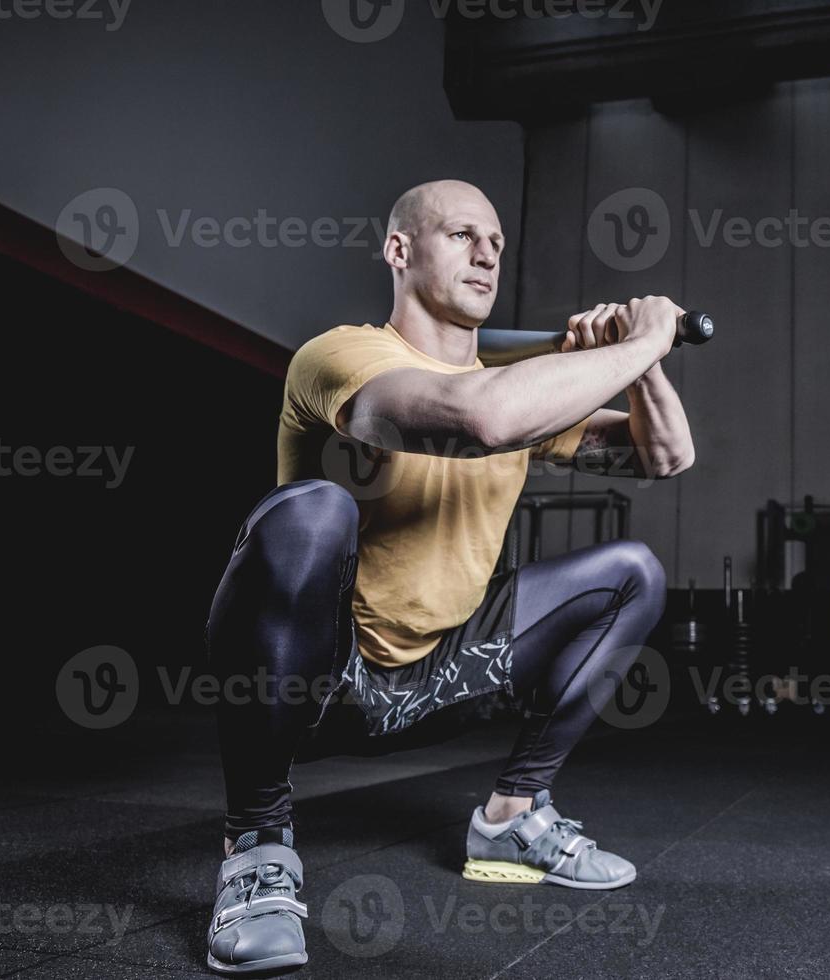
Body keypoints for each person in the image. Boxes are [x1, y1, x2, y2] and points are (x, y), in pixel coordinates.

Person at [202, 179, 695, 974]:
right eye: (464, 234)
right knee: (309, 511)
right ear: (400, 250)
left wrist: (635, 365)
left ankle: (512, 816)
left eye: (496, 241)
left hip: (450, 676)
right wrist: (638, 343)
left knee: (631, 571)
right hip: (328, 685)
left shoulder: (518, 379)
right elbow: (481, 420)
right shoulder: (342, 357)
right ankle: (256, 840)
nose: (488, 251)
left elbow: (667, 456)